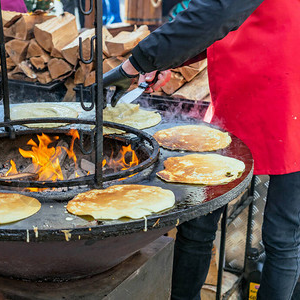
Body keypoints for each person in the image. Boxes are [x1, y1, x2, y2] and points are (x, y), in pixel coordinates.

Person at [103, 0, 300, 299]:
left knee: (280, 237)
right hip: (240, 95)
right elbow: (219, 17)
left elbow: (217, 11)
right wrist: (164, 60)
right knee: (261, 234)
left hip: (286, 95)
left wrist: (137, 63)